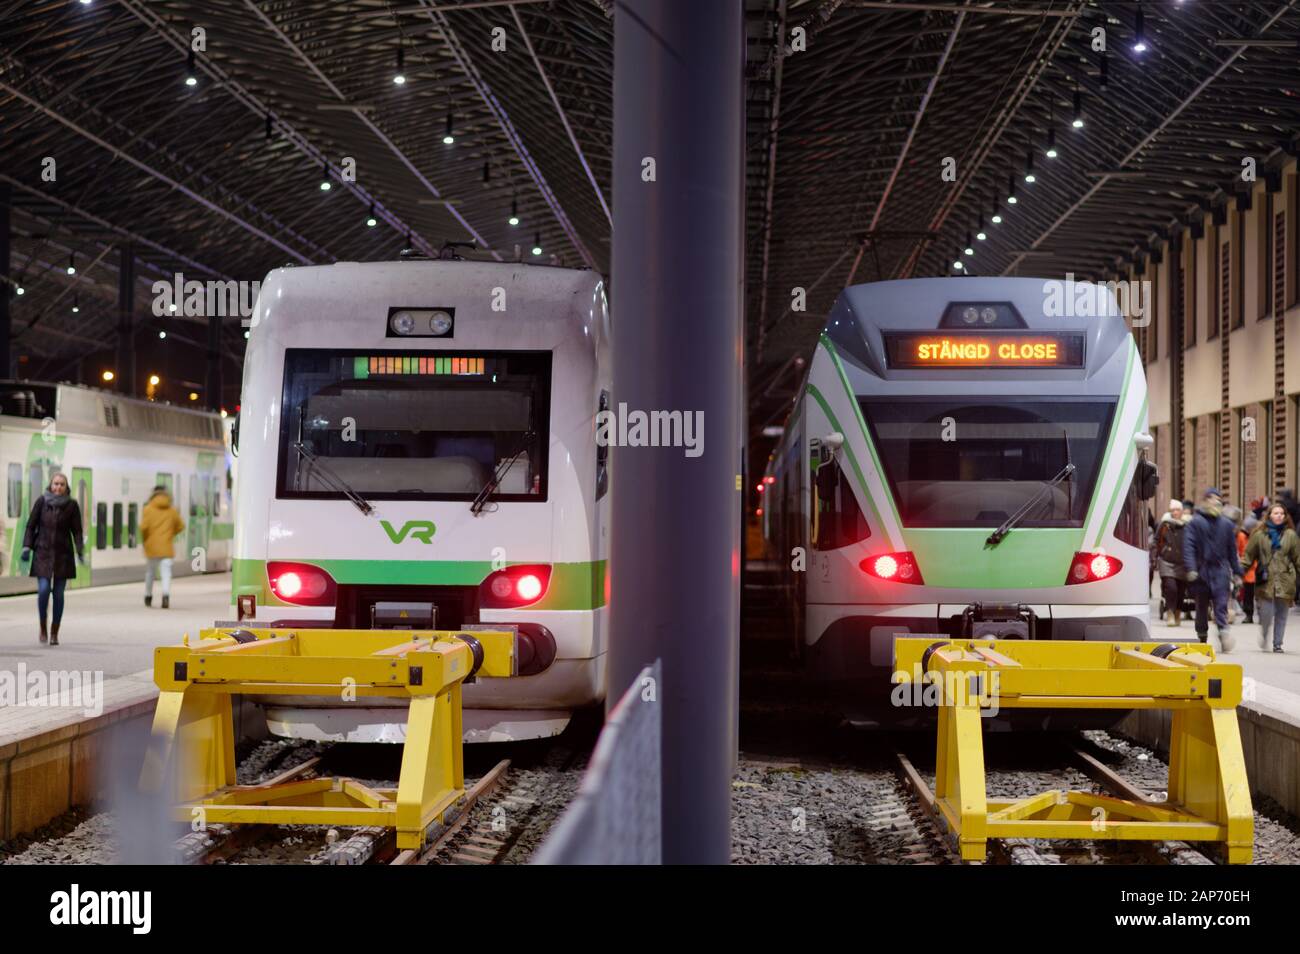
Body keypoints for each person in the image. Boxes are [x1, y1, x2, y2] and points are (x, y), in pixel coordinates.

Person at [19, 472, 85, 646]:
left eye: (62, 484)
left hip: (63, 555)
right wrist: (26, 546)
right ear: (50, 485)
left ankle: (55, 632)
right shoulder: (42, 501)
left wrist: (80, 551)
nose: (58, 487)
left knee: (58, 594)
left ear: (66, 487)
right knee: (43, 590)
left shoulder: (72, 505)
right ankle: (43, 627)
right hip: (43, 553)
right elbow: (30, 525)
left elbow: (77, 531)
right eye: (56, 484)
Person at [1183, 487, 1240, 651]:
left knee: (1221, 604)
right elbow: (1189, 546)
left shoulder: (1226, 525)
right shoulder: (1195, 523)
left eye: (1218, 499)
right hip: (1201, 571)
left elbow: (1232, 551)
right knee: (1201, 606)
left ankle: (1223, 631)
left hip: (1220, 570)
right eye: (1212, 498)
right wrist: (1191, 568)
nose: (1216, 502)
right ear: (1205, 501)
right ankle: (1202, 635)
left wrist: (1237, 573)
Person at [1243, 504, 1300, 653]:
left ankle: (1277, 644)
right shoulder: (1259, 535)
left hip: (1285, 579)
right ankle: (1265, 633)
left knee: (1282, 615)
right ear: (1269, 516)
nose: (1279, 516)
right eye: (1276, 513)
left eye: (1282, 513)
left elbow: (1297, 558)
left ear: (1285, 516)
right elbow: (1248, 557)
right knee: (1266, 615)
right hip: (1265, 580)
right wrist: (1238, 572)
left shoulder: (1291, 535)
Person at [141, 485, 185, 609]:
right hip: (166, 547)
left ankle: (148, 596)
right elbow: (181, 526)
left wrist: (145, 541)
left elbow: (143, 528)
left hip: (152, 547)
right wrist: (171, 533)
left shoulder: (148, 509)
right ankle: (165, 595)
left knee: (150, 573)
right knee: (166, 573)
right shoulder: (172, 511)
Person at [1155, 499, 1190, 626]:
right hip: (1167, 561)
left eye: (1177, 510)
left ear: (1182, 511)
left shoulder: (1187, 525)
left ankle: (1177, 614)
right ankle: (1170, 613)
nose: (1175, 512)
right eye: (1173, 510)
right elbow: (1156, 541)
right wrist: (1158, 556)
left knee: (1181, 590)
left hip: (1183, 562)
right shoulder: (1165, 525)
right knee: (1171, 588)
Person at [1239, 513, 1258, 624]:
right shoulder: (1242, 536)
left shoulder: (1256, 536)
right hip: (1248, 569)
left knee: (1257, 594)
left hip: (1256, 568)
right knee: (1248, 593)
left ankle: (1257, 614)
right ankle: (1249, 614)